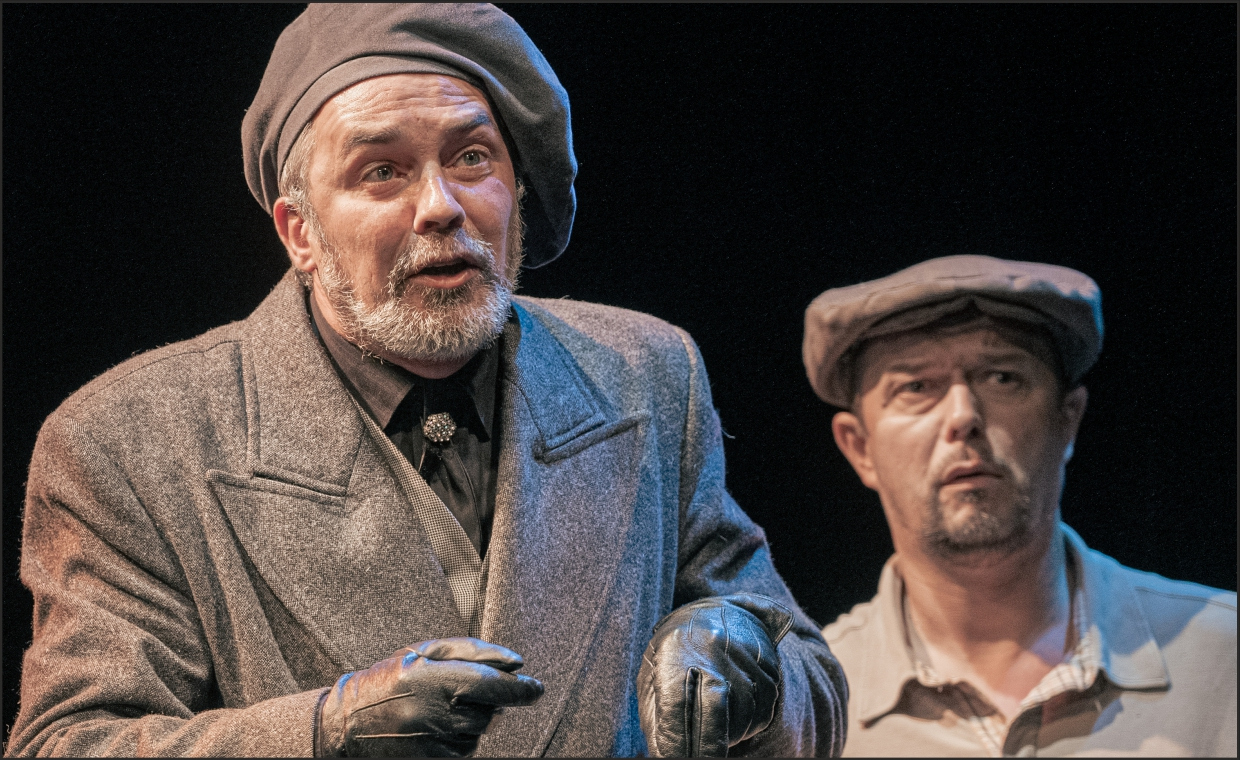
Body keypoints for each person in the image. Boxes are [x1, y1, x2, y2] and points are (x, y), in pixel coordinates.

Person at [6, 5, 847, 757]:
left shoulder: (644, 376)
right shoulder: (129, 443)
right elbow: (70, 742)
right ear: (300, 233)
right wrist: (323, 734)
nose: (441, 205)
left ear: (515, 191)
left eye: (472, 157)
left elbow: (814, 679)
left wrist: (758, 677)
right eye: (382, 171)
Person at [802, 254, 1236, 756]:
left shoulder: (1225, 661)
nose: (963, 416)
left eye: (1003, 377)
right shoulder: (806, 712)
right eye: (915, 387)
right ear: (859, 448)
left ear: (1068, 419)